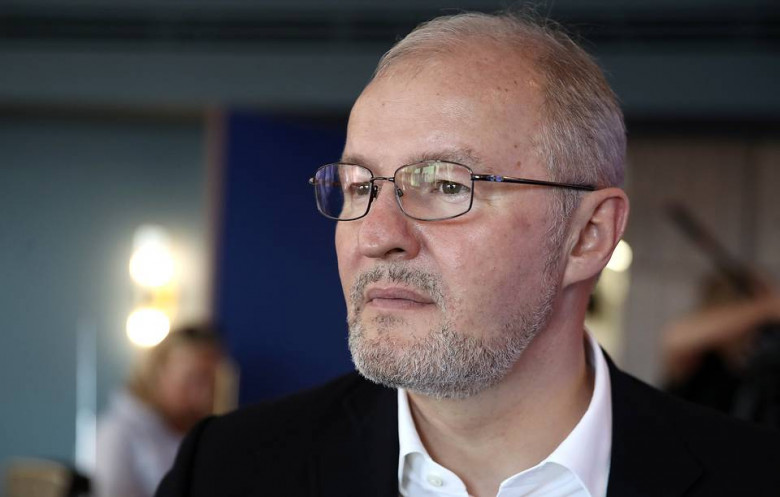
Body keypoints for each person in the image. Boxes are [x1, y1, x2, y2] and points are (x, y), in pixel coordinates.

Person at [156, 11, 780, 497]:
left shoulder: (753, 477)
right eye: (359, 187)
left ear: (589, 234)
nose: (375, 235)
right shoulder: (227, 472)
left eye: (447, 186)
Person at [96, 325, 223, 497]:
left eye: (211, 381)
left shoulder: (207, 433)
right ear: (158, 372)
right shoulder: (119, 432)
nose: (205, 394)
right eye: (193, 380)